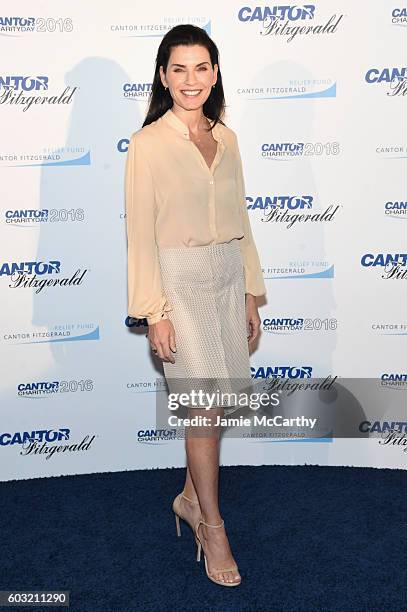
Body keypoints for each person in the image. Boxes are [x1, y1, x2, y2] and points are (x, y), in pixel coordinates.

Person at [125, 24, 267, 587]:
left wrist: (252, 292)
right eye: (179, 69)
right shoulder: (147, 144)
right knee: (204, 408)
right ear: (163, 77)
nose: (192, 79)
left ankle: (186, 497)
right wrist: (153, 310)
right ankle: (212, 526)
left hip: (229, 277)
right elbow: (139, 235)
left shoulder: (226, 138)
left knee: (223, 400)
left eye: (202, 67)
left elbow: (243, 220)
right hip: (178, 284)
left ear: (215, 73)